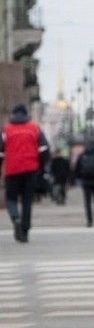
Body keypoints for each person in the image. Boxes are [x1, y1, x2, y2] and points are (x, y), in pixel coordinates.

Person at [0, 104, 51, 243]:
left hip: (12, 170)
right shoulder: (34, 129)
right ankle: (25, 229)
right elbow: (44, 149)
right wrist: (41, 167)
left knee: (11, 199)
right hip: (30, 169)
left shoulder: (6, 130)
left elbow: (0, 151)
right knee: (27, 200)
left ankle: (16, 218)